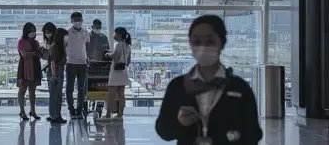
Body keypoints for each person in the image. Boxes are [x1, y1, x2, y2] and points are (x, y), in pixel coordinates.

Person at [155, 15, 263, 145]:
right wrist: (180, 123)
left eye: (210, 42)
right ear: (190, 44)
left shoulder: (239, 88)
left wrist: (228, 136)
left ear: (222, 43)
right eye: (197, 42)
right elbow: (163, 132)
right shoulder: (178, 86)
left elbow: (253, 135)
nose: (203, 47)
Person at [102, 27, 131, 120]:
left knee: (111, 96)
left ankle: (107, 115)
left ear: (118, 34)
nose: (113, 35)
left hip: (115, 73)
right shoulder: (128, 45)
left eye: (115, 33)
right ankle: (120, 114)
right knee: (121, 95)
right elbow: (128, 61)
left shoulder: (118, 44)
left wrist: (107, 54)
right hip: (123, 72)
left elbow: (115, 56)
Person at [66, 11, 90, 119]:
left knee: (82, 89)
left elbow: (87, 47)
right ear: (71, 21)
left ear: (82, 20)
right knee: (69, 88)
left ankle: (79, 111)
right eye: (75, 21)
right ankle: (71, 110)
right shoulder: (67, 33)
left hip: (83, 63)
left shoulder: (86, 32)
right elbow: (64, 46)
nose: (77, 22)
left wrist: (87, 58)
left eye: (79, 20)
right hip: (71, 63)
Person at [17, 22, 43, 121]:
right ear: (26, 31)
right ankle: (22, 111)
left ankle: (33, 111)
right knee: (22, 90)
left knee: (33, 91)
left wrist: (40, 52)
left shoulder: (36, 42)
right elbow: (24, 55)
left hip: (35, 67)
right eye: (31, 31)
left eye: (34, 31)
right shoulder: (21, 41)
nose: (33, 33)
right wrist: (35, 53)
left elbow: (38, 55)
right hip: (24, 67)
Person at [49, 28, 68, 124]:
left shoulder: (62, 46)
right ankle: (54, 115)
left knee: (58, 95)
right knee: (55, 95)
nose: (66, 38)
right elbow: (52, 61)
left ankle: (57, 114)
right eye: (65, 36)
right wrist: (54, 75)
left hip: (60, 70)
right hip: (56, 71)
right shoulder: (55, 46)